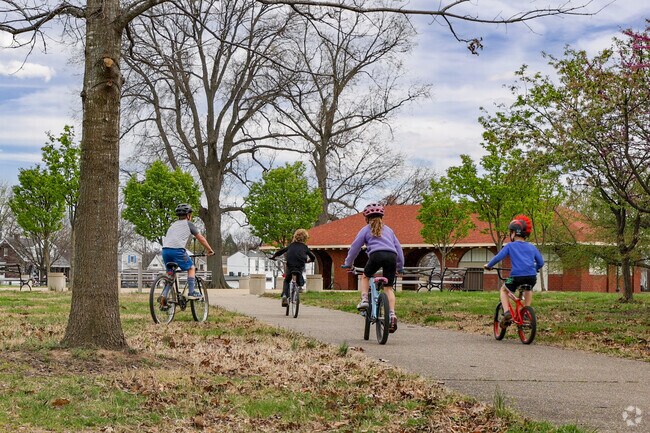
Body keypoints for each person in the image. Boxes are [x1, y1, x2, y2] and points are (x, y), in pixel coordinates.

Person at [342, 203, 404, 333]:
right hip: (392, 256)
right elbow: (399, 249)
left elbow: (355, 248)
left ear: (366, 218)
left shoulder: (365, 230)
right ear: (382, 216)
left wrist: (348, 263)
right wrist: (400, 267)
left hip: (376, 255)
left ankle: (365, 299)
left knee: (366, 275)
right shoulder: (389, 230)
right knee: (388, 288)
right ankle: (392, 315)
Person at [484, 214, 544, 326]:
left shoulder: (510, 246)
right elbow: (541, 263)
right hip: (531, 277)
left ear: (514, 233)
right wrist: (533, 269)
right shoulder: (532, 247)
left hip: (516, 277)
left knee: (503, 290)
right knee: (528, 288)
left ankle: (507, 312)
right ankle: (526, 311)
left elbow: (498, 257)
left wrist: (489, 265)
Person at [161, 203, 214, 301]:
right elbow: (200, 238)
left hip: (165, 251)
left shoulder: (173, 225)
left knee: (171, 275)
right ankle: (191, 291)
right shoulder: (189, 224)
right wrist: (210, 250)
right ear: (188, 215)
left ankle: (164, 295)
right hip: (177, 251)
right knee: (191, 268)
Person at [271, 229, 316, 307]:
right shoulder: (305, 247)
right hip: (300, 266)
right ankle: (299, 284)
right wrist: (310, 260)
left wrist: (274, 256)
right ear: (305, 238)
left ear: (295, 236)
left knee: (287, 281)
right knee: (299, 275)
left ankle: (285, 295)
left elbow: (280, 251)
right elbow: (312, 257)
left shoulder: (291, 245)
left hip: (290, 265)